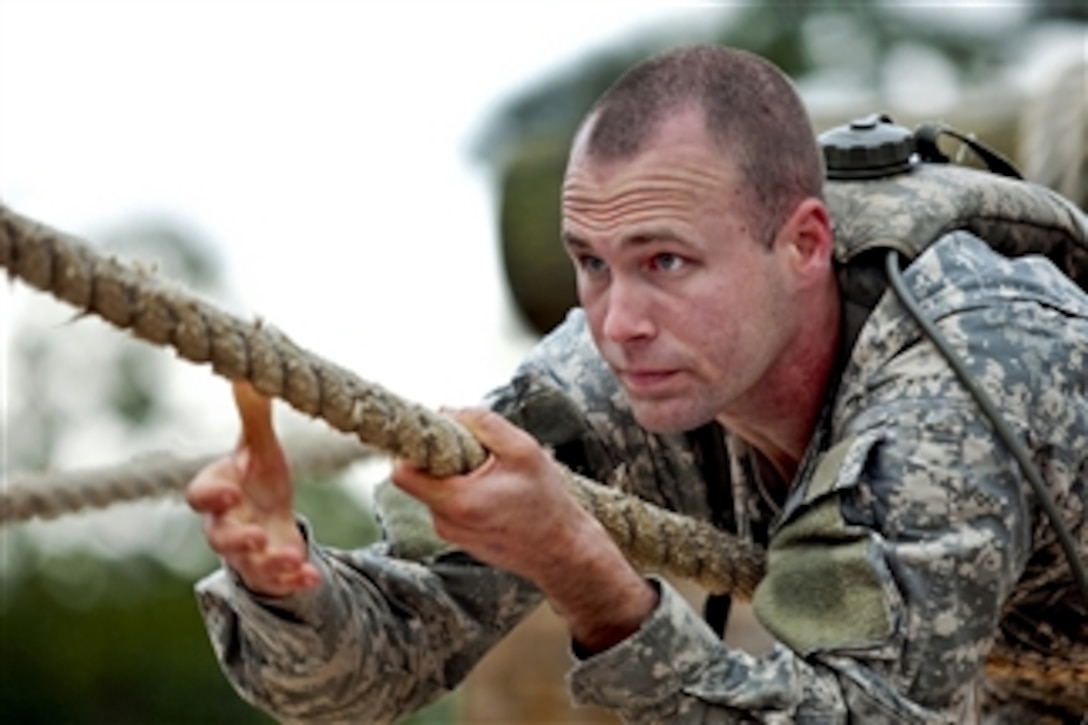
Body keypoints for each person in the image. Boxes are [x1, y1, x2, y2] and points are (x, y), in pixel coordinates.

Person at [187, 46, 1088, 723]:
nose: (619, 323)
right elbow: (386, 655)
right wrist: (288, 587)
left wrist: (590, 579)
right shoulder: (605, 380)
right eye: (592, 263)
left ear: (805, 245)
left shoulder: (959, 373)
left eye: (666, 260)